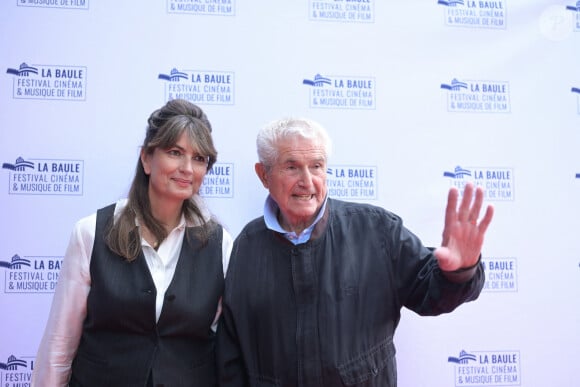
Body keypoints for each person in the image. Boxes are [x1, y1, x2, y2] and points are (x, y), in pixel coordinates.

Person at [216, 117, 494, 387]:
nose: (307, 181)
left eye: (316, 166)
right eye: (291, 167)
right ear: (264, 174)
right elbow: (232, 351)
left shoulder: (377, 230)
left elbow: (431, 293)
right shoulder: (247, 246)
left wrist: (460, 271)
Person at [32, 99, 233, 387]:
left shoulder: (219, 243)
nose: (187, 168)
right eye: (175, 152)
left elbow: (222, 343)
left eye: (199, 158)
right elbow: (59, 344)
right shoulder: (91, 232)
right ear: (146, 158)